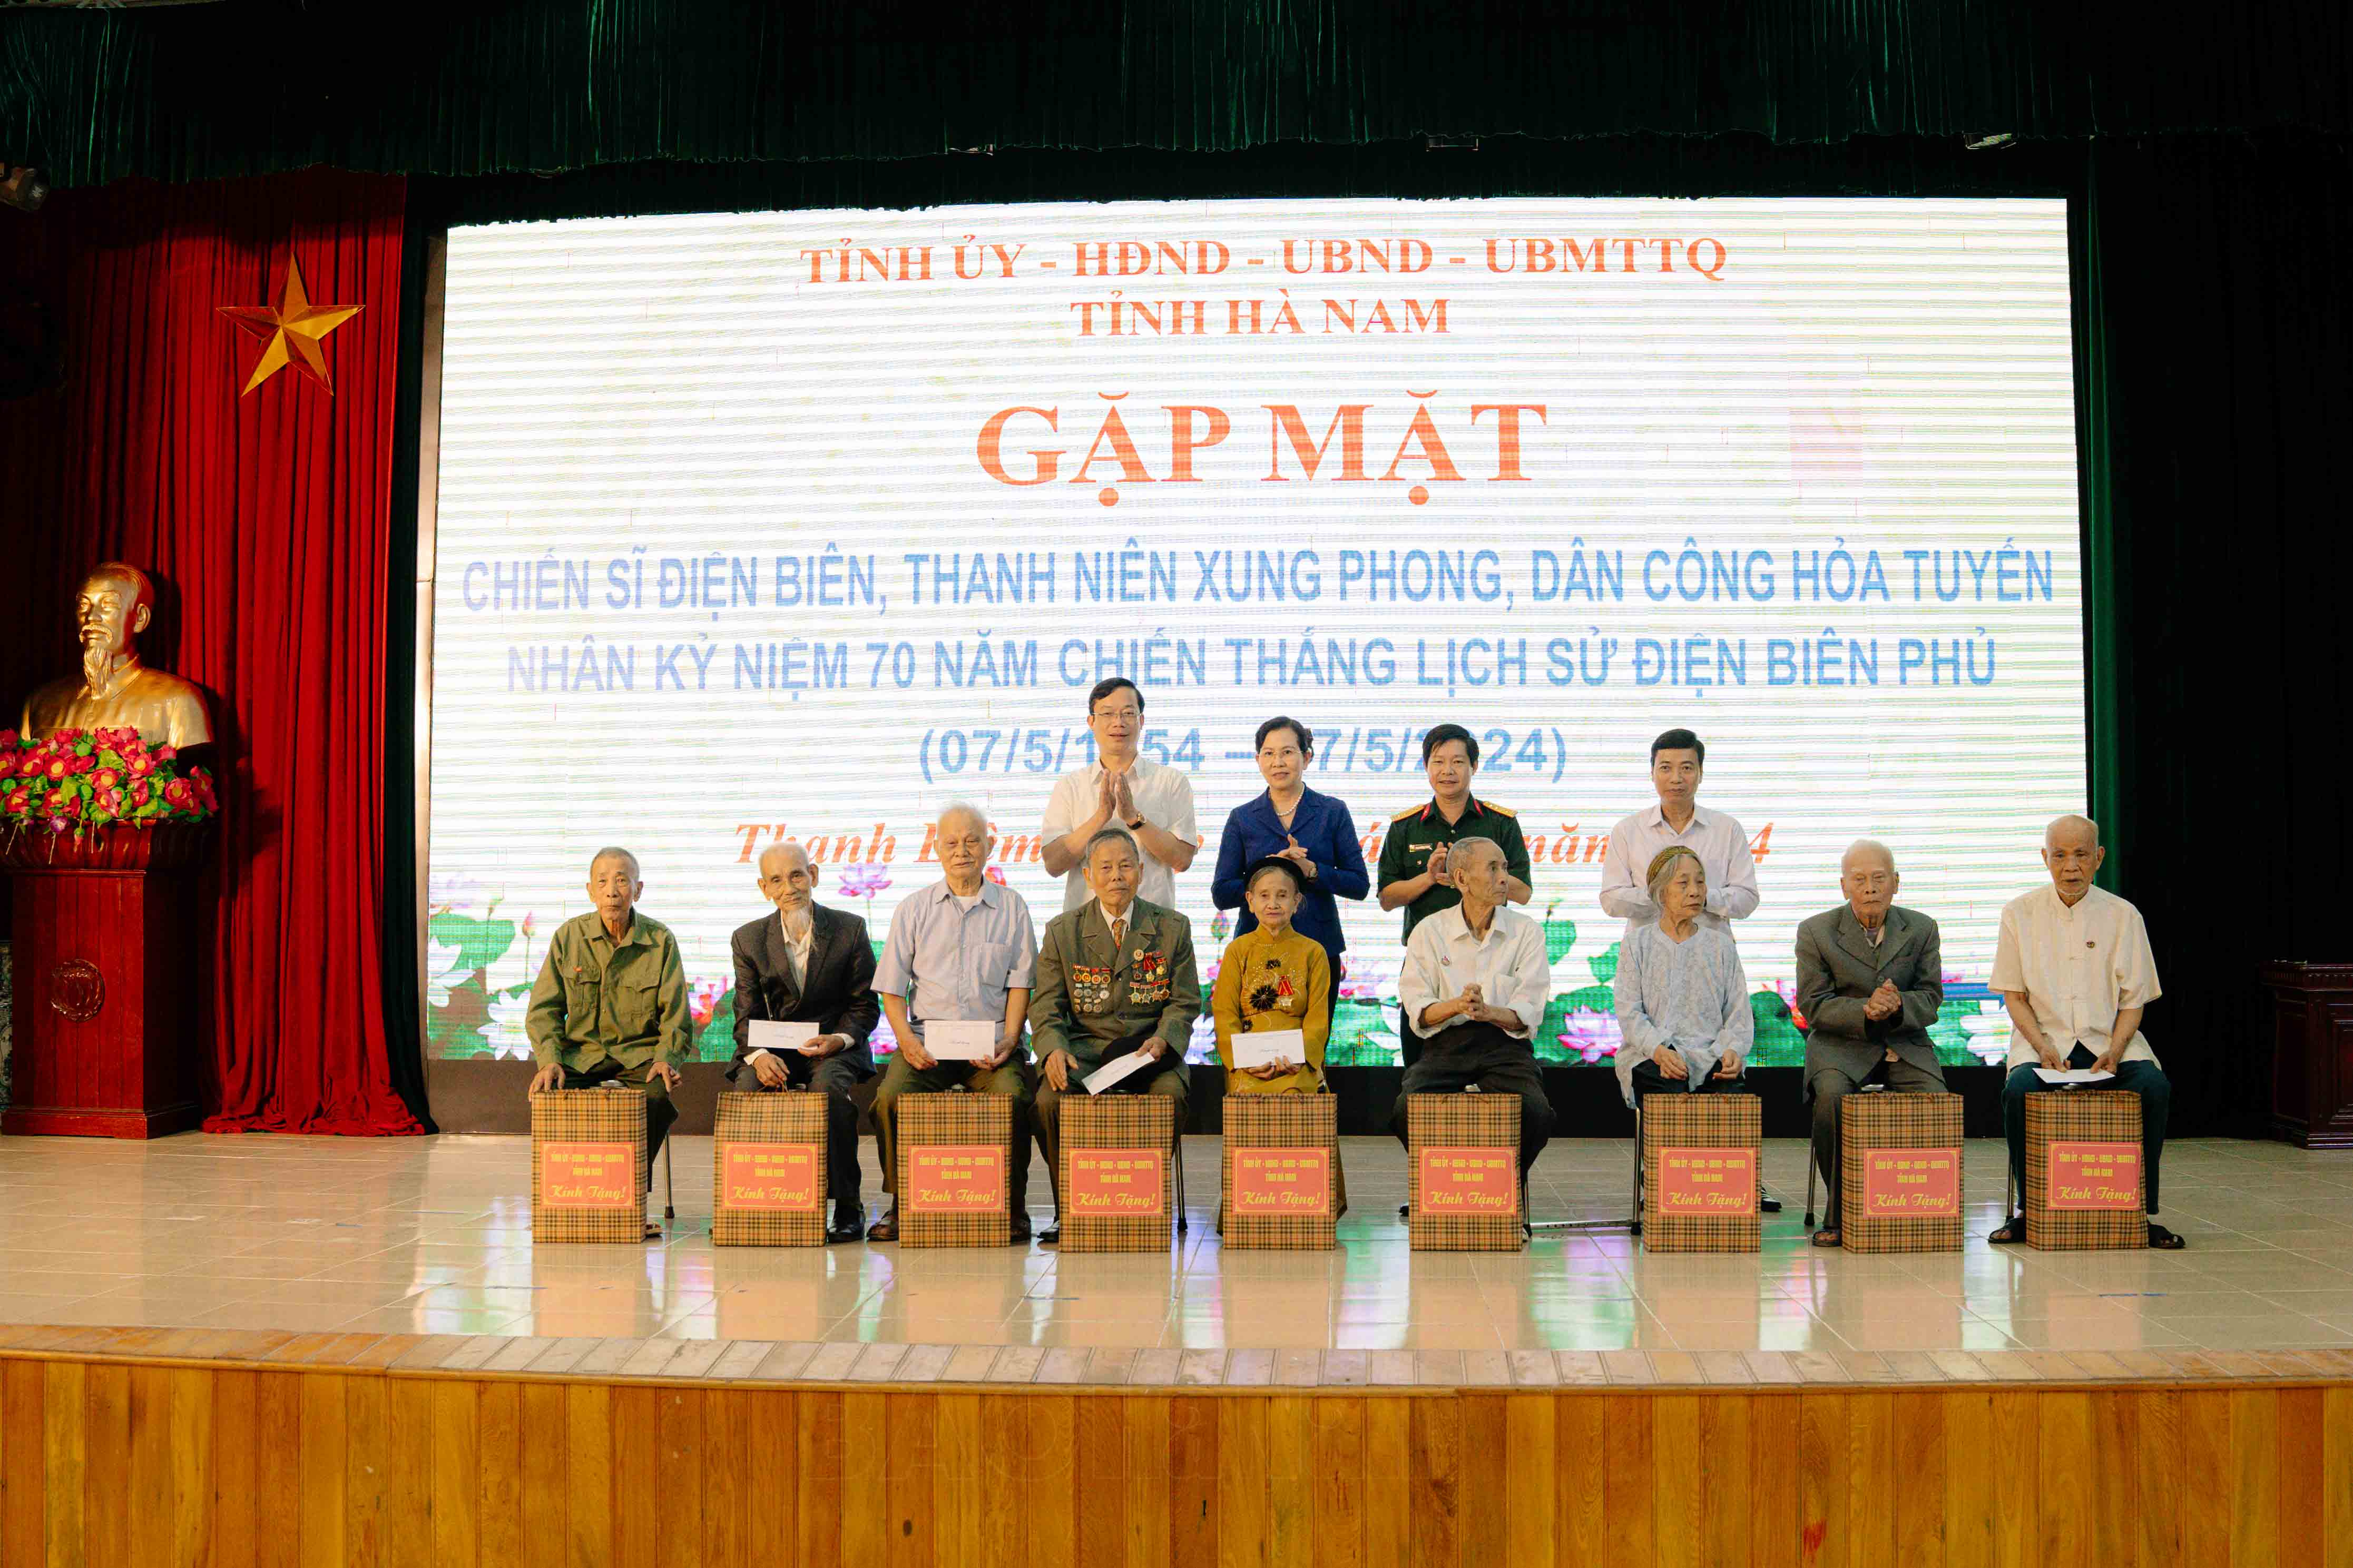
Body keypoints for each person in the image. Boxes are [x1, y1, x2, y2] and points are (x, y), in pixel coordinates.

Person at [1986, 815, 2179, 1249]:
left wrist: (2115, 1049)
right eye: (2059, 855)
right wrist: (2041, 1045)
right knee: (2018, 1090)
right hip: (2044, 1045)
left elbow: (2134, 1001)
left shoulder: (2123, 915)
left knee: (2152, 1085)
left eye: (2080, 855)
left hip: (2110, 1043)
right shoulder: (2019, 913)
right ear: (2045, 858)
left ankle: (2140, 1211)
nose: (2070, 867)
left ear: (2099, 859)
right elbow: (2014, 996)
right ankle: (2027, 1209)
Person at [866, 804, 1039, 1242]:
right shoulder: (914, 909)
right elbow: (891, 987)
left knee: (1017, 1098)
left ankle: (1013, 1206)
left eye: (972, 840)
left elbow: (1021, 986)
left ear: (990, 845)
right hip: (928, 1044)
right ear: (937, 849)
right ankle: (901, 1203)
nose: (962, 850)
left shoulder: (1013, 907)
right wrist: (905, 1040)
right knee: (890, 1097)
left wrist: (1011, 1039)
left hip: (993, 1046)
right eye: (951, 842)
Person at [1028, 827, 1201, 1246]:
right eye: (1105, 868)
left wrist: (1164, 1039)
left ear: (1141, 872)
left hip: (1149, 1050)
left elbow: (1185, 1002)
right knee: (1049, 1098)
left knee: (1170, 1097)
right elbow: (1046, 1006)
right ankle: (1065, 1206)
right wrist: (1053, 1048)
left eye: (1126, 866)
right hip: (1085, 1051)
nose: (1116, 876)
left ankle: (1144, 1200)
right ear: (1087, 875)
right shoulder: (1062, 931)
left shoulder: (1172, 928)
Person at [525, 847, 690, 1240]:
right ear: (590, 890)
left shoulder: (660, 939)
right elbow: (543, 1010)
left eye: (621, 880)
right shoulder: (569, 937)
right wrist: (549, 1059)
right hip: (582, 1056)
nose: (612, 890)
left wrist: (667, 1058)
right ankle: (567, 1202)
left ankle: (629, 1203)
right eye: (602, 881)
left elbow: (677, 1015)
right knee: (550, 1094)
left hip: (640, 1056)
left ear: (638, 888)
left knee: (655, 1096)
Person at [1793, 840, 1947, 1247]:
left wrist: (1897, 1006)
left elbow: (1931, 998)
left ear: (1896, 883)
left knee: (1937, 1098)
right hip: (1839, 1044)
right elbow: (1813, 1004)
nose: (1870, 888)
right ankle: (1839, 1211)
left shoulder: (1922, 927)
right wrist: (1865, 1009)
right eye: (1859, 880)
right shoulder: (1815, 931)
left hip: (1904, 1042)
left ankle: (1921, 1208)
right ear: (1843, 886)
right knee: (1831, 1098)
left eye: (1879, 878)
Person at [727, 841, 882, 1245]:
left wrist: (839, 1038)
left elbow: (865, 1006)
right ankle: (752, 1201)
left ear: (812, 875)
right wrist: (758, 1057)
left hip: (830, 1047)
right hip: (773, 1051)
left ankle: (848, 1204)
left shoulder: (850, 929)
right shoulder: (747, 939)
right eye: (776, 879)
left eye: (796, 875)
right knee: (747, 1089)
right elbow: (744, 1016)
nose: (789, 887)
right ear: (764, 888)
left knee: (828, 1091)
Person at [1393, 836, 1555, 1200]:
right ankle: (1443, 1186)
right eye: (1493, 868)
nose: (1504, 878)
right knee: (1407, 1106)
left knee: (1537, 1112)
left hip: (1505, 1047)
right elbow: (1418, 1009)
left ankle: (1502, 1189)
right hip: (1446, 1046)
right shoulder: (1429, 932)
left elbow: (1529, 1010)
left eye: (1505, 868)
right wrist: (1458, 1006)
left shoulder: (1526, 931)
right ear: (1462, 879)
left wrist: (1488, 1012)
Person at [1376, 723, 1532, 1068]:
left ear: (1474, 767)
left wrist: (1483, 877)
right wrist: (1429, 878)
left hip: (1492, 956)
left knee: (1496, 1060)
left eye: (1458, 762)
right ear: (1426, 767)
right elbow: (1387, 897)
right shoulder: (1405, 826)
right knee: (1419, 1062)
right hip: (1427, 959)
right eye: (1438, 761)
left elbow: (1523, 892)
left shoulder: (1500, 823)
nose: (1447, 771)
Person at [1209, 716, 1369, 1031]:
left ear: (1306, 757)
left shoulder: (1332, 811)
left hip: (1318, 949)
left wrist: (1311, 871)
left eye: (1288, 753)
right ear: (1257, 761)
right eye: (1268, 754)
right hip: (1255, 950)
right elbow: (1222, 893)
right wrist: (1267, 871)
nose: (1278, 762)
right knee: (1255, 1049)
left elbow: (1359, 885)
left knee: (1311, 1049)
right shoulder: (1242, 818)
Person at [1210, 855, 1347, 1216]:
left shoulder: (1314, 952)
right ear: (1250, 901)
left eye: (1283, 895)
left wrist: (1300, 1057)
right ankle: (1251, 1205)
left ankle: (1302, 1204)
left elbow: (1318, 1018)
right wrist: (1245, 1060)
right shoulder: (1237, 950)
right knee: (1249, 1094)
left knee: (1295, 1093)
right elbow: (1225, 1014)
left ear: (1297, 902)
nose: (1274, 903)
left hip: (1297, 1059)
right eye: (1265, 895)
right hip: (1248, 1059)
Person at [1613, 846, 1755, 1111]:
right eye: (1683, 883)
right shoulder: (1638, 944)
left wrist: (1733, 1049)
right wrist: (1658, 1050)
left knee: (1730, 1102)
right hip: (1652, 1054)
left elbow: (1739, 1011)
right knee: (1669, 1095)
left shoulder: (1721, 945)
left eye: (1700, 881)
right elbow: (1629, 1013)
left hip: (1711, 1053)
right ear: (1661, 892)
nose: (1695, 891)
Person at [1039, 677, 1199, 912]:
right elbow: (1054, 865)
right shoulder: (1070, 786)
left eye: (1128, 713)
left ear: (1141, 721)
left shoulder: (1171, 782)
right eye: (1107, 714)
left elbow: (1182, 860)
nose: (1118, 722)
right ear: (1091, 721)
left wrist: (1134, 818)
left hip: (1154, 927)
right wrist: (1101, 817)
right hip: (1085, 931)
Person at [19, 561, 211, 748]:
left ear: (140, 619)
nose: (92, 617)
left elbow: (196, 778)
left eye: (108, 605)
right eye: (84, 606)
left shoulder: (179, 701)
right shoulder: (40, 703)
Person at [1598, 728, 1759, 943]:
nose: (1676, 778)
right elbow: (1611, 901)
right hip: (1646, 954)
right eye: (1666, 768)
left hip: (1711, 953)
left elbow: (1747, 899)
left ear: (1701, 773)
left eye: (1686, 768)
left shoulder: (1727, 829)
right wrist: (1661, 895)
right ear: (1652, 773)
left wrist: (1701, 897)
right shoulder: (1628, 831)